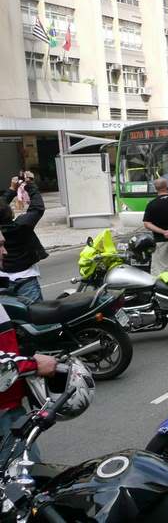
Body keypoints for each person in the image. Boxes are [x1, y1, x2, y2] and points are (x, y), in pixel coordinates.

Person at [0, 230, 57, 463]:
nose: (5, 252)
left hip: (10, 405)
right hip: (4, 413)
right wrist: (33, 364)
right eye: (0, 246)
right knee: (25, 480)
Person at [0, 174, 48, 302]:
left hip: (3, 279)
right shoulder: (22, 225)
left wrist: (11, 189)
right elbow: (37, 208)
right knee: (37, 316)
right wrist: (30, 184)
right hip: (26, 278)